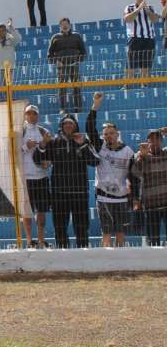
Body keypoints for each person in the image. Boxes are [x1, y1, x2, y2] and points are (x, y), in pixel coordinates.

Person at [32, 114, 99, 249]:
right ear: (61, 126)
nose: (68, 126)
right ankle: (62, 254)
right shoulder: (54, 142)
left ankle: (83, 254)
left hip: (79, 192)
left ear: (75, 126)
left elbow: (95, 161)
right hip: (59, 193)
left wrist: (82, 145)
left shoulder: (83, 140)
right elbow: (37, 159)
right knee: (60, 227)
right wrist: (43, 144)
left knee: (81, 227)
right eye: (65, 123)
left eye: (71, 123)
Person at [85, 93, 133, 247]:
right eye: (105, 134)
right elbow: (89, 128)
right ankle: (105, 265)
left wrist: (133, 195)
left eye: (111, 133)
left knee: (120, 232)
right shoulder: (100, 146)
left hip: (122, 197)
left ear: (117, 134)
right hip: (103, 196)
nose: (108, 136)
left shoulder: (128, 151)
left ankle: (123, 265)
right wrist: (95, 105)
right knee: (106, 233)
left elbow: (134, 176)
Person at [21, 104, 54, 248]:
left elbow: (51, 154)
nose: (31, 116)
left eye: (34, 113)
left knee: (41, 211)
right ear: (25, 115)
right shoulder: (19, 132)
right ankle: (29, 241)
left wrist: (49, 163)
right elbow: (11, 153)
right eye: (29, 113)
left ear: (38, 115)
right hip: (25, 178)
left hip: (41, 177)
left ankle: (41, 240)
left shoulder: (44, 131)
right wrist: (25, 147)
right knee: (27, 212)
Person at [133, 130, 167, 246]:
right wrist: (142, 156)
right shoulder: (140, 155)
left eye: (157, 139)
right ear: (147, 142)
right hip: (150, 205)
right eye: (151, 139)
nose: (154, 142)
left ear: (162, 141)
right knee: (153, 241)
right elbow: (136, 173)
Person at [48, 18, 87, 113]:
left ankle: (78, 108)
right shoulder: (55, 37)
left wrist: (78, 60)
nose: (65, 26)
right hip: (62, 66)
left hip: (74, 65)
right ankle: (62, 109)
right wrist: (56, 61)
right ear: (60, 26)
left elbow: (83, 52)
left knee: (76, 86)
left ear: (70, 25)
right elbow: (50, 54)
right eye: (62, 24)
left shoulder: (77, 36)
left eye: (66, 24)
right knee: (62, 87)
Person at [123, 0, 160, 83]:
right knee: (131, 64)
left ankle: (145, 84)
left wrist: (147, 10)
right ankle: (127, 85)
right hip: (135, 38)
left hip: (149, 38)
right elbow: (127, 19)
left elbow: (155, 20)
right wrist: (139, 9)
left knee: (146, 64)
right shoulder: (129, 7)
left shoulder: (150, 8)